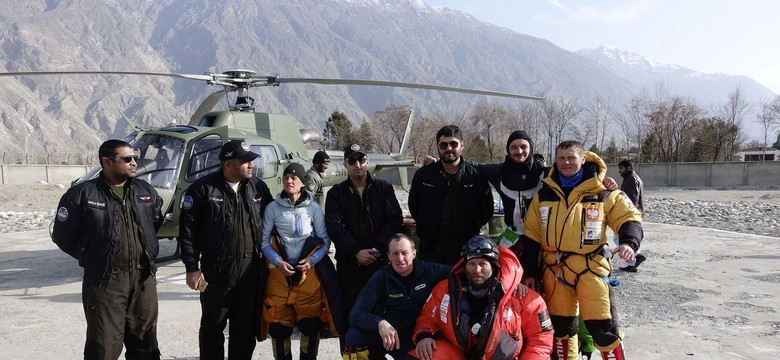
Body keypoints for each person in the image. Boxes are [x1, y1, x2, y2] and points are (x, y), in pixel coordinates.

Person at [519, 140, 643, 360]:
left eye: (571, 157)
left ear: (583, 159)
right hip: (555, 271)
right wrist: (529, 272)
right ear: (555, 161)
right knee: (561, 331)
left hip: (591, 269)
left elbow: (628, 217)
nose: (566, 162)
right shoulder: (544, 196)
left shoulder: (603, 192)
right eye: (561, 158)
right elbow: (532, 238)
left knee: (604, 329)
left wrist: (628, 242)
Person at [52, 139, 164, 359]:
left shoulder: (146, 191)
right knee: (103, 347)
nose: (134, 163)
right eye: (127, 159)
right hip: (105, 282)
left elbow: (155, 222)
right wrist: (90, 254)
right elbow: (63, 236)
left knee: (146, 344)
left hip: (143, 281)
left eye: (135, 158)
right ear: (107, 162)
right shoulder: (82, 195)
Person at [179, 139, 273, 359]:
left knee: (245, 329)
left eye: (252, 161)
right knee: (213, 327)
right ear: (228, 164)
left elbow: (272, 223)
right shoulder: (202, 189)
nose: (251, 165)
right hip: (217, 272)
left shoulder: (258, 188)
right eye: (246, 161)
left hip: (251, 271)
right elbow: (188, 232)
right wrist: (192, 267)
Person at [412, 236, 553, 360]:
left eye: (483, 264)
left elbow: (540, 339)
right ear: (465, 265)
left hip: (499, 357)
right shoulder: (446, 289)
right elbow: (427, 318)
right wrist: (424, 336)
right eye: (472, 264)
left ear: (493, 266)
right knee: (425, 354)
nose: (477, 270)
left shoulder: (521, 295)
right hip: (457, 352)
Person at [324, 144, 404, 354]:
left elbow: (394, 220)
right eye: (352, 161)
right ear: (346, 165)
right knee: (351, 315)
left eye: (361, 160)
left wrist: (378, 249)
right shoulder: (336, 193)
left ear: (367, 162)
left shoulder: (383, 189)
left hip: (380, 265)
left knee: (382, 313)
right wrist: (356, 251)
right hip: (350, 267)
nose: (357, 165)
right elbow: (335, 226)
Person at [260, 162, 336, 360]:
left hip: (307, 274)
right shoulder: (272, 208)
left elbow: (324, 241)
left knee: (310, 325)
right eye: (286, 178)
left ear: (302, 182)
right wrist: (277, 261)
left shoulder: (314, 210)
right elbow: (264, 242)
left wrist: (311, 261)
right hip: (279, 273)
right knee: (278, 327)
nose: (289, 181)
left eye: (293, 178)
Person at [344, 233, 450, 359]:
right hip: (388, 335)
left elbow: (460, 272)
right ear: (388, 256)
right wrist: (379, 322)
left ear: (414, 253)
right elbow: (356, 313)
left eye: (404, 253)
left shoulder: (430, 271)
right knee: (353, 335)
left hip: (417, 337)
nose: (400, 259)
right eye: (395, 254)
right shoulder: (381, 277)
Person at [408, 125, 493, 265]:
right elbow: (414, 206)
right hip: (430, 249)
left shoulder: (475, 176)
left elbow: (486, 210)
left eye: (453, 144)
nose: (448, 148)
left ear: (462, 145)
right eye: (443, 145)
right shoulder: (424, 175)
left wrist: (469, 228)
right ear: (437, 147)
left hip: (464, 249)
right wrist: (426, 227)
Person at [616, 159, 646, 272]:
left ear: (628, 168)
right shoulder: (634, 178)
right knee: (623, 237)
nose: (619, 171)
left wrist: (627, 213)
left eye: (621, 168)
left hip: (630, 214)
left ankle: (637, 256)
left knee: (621, 237)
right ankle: (633, 262)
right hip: (635, 212)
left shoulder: (631, 179)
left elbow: (632, 198)